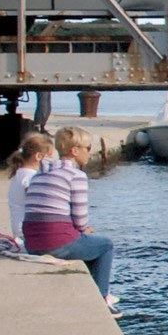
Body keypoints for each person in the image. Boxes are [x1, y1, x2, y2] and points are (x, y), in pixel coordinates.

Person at [21, 126, 117, 307]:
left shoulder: (40, 174)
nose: (90, 152)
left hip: (32, 244)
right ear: (74, 151)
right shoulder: (76, 175)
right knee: (105, 245)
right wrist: (84, 229)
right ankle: (102, 299)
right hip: (56, 244)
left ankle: (91, 290)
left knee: (86, 242)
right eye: (88, 148)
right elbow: (80, 218)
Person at [5, 130, 56, 240]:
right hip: (27, 231)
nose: (52, 160)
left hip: (20, 229)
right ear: (38, 156)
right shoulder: (30, 177)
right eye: (49, 156)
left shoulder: (20, 173)